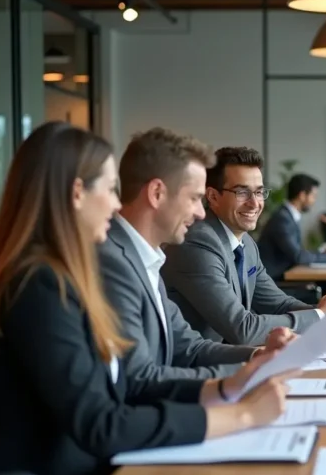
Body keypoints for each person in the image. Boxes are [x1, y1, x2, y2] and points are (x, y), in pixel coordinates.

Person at [0, 123, 295, 475]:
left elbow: (129, 385)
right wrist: (238, 414)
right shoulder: (39, 286)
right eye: (112, 190)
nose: (118, 205)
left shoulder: (66, 276)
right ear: (77, 193)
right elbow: (103, 421)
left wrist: (230, 385)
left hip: (101, 472)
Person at [98, 128, 274, 384]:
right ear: (157, 193)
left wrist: (260, 356)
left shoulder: (147, 257)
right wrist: (235, 383)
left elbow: (189, 348)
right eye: (194, 198)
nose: (201, 213)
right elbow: (139, 380)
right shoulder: (112, 263)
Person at [161, 147, 326, 345]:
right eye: (242, 192)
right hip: (195, 366)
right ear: (213, 197)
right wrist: (320, 316)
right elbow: (242, 329)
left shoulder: (246, 243)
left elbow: (277, 304)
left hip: (230, 357)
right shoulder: (197, 243)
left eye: (259, 192)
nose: (254, 203)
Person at [258, 173, 326, 280]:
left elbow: (297, 252)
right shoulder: (282, 219)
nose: (314, 201)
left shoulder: (288, 215)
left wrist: (325, 253)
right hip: (275, 280)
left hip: (283, 275)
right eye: (313, 196)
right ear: (302, 195)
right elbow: (298, 256)